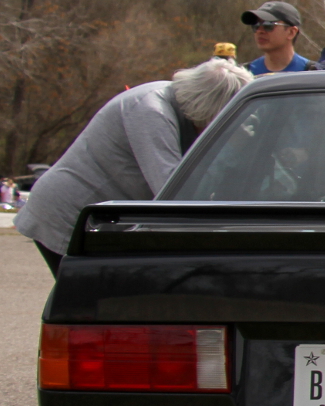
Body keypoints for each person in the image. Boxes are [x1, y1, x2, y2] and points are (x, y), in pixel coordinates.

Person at [15, 59, 253, 276]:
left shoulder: (178, 102)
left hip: (100, 219)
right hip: (69, 212)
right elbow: (173, 193)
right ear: (209, 106)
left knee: (95, 300)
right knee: (89, 299)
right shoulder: (151, 112)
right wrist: (229, 150)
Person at [242, 1, 309, 74]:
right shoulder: (244, 73)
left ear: (291, 32)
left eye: (268, 25)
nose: (259, 31)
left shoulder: (311, 72)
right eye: (256, 25)